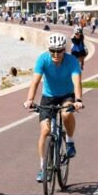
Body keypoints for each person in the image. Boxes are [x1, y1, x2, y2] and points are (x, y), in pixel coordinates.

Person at [23, 32, 84, 183]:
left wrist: (78, 100)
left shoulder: (72, 61)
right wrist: (29, 99)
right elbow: (35, 82)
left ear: (65, 50)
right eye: (52, 51)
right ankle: (43, 167)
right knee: (45, 131)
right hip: (48, 97)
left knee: (66, 114)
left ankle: (69, 141)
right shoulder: (43, 60)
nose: (56, 54)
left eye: (59, 51)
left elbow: (77, 81)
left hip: (66, 95)